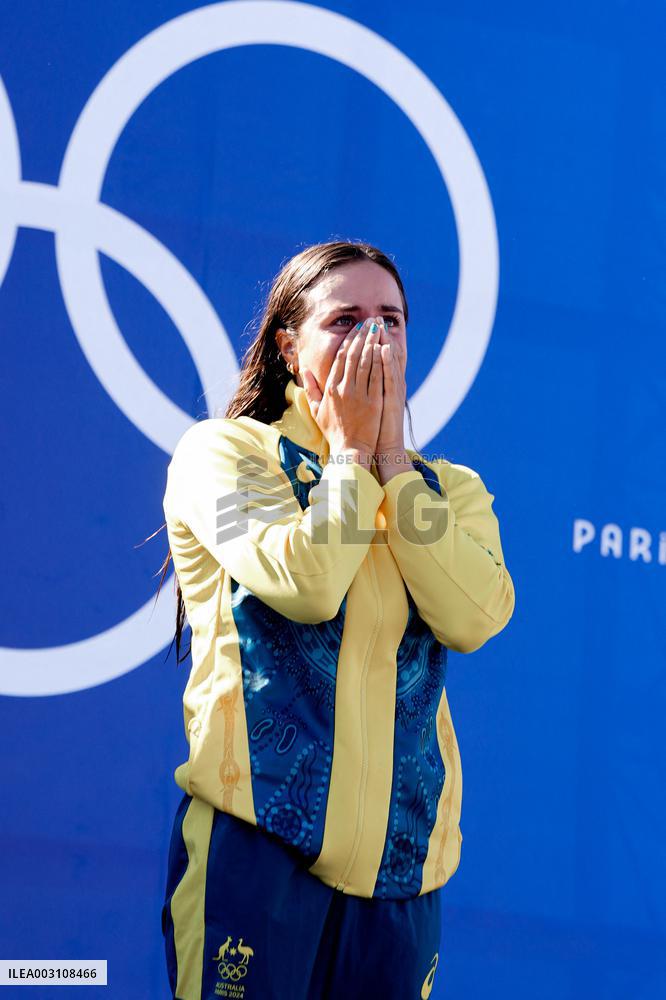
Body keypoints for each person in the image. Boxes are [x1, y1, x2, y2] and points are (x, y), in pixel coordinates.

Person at [156, 240, 516, 999]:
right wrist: (353, 456)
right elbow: (307, 581)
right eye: (346, 321)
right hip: (254, 857)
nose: (374, 340)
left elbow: (476, 615)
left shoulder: (451, 489)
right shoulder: (222, 455)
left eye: (390, 320)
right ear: (290, 348)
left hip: (403, 878)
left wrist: (393, 470)